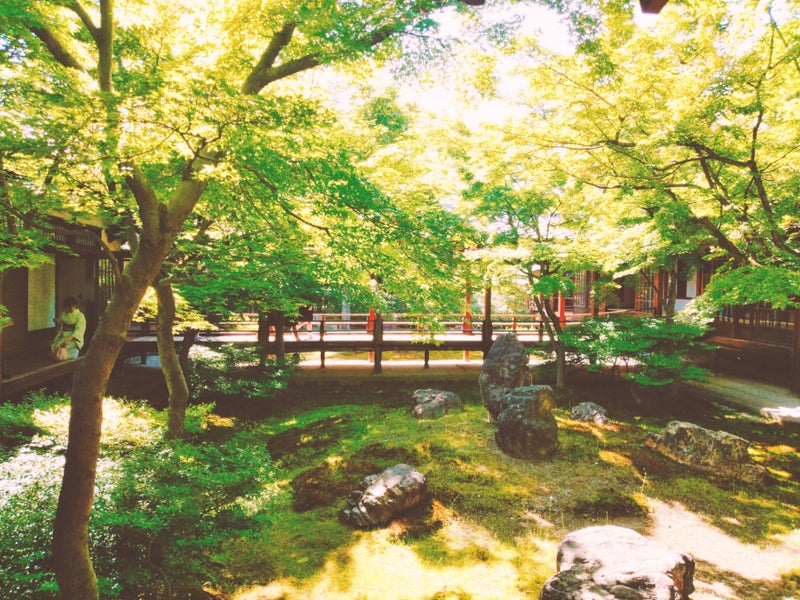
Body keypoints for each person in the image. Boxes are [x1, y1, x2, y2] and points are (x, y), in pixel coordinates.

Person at [50, 296, 86, 361]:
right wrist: (58, 321)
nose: (66, 309)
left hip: (73, 338)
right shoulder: (64, 313)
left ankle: (74, 354)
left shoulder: (80, 316)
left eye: (68, 307)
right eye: (66, 307)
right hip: (64, 335)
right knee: (56, 345)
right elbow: (62, 322)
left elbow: (79, 330)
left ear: (74, 306)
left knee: (62, 348)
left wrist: (68, 340)